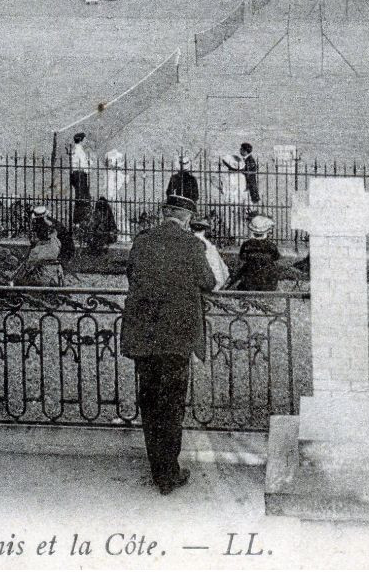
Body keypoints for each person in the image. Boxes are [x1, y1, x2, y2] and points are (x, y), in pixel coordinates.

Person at [121, 194, 220, 495]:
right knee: (172, 402)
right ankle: (169, 472)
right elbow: (208, 281)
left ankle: (158, 468)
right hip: (176, 335)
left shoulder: (142, 241)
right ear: (188, 217)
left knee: (150, 401)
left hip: (145, 334)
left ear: (164, 213)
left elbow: (131, 275)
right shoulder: (192, 244)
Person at [226, 214, 283, 291]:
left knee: (246, 268)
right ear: (266, 231)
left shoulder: (246, 244)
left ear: (252, 230)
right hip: (268, 285)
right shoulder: (271, 246)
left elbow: (242, 257)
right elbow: (276, 257)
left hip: (250, 284)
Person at [12, 215, 65, 286]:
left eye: (36, 231)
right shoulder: (56, 241)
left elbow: (29, 265)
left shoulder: (37, 249)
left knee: (18, 280)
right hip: (56, 276)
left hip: (41, 278)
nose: (34, 234)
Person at [28, 202, 74, 268]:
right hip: (53, 245)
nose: (36, 220)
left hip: (62, 247)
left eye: (38, 218)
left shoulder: (49, 224)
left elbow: (49, 238)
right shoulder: (42, 223)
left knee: (36, 255)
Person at [192, 217, 230, 289]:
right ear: (204, 230)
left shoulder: (193, 240)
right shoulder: (207, 243)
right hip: (214, 277)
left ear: (192, 229)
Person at [69, 132, 94, 230]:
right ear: (82, 140)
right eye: (85, 139)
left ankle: (79, 221)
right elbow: (84, 166)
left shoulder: (75, 149)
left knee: (80, 197)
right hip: (80, 175)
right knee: (82, 197)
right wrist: (89, 166)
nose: (86, 141)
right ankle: (80, 221)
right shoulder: (79, 150)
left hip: (75, 174)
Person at [238, 142, 260, 207]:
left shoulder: (250, 160)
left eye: (241, 149)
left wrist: (238, 170)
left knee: (253, 201)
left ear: (245, 151)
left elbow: (247, 171)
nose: (240, 150)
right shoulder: (246, 159)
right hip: (247, 182)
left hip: (250, 183)